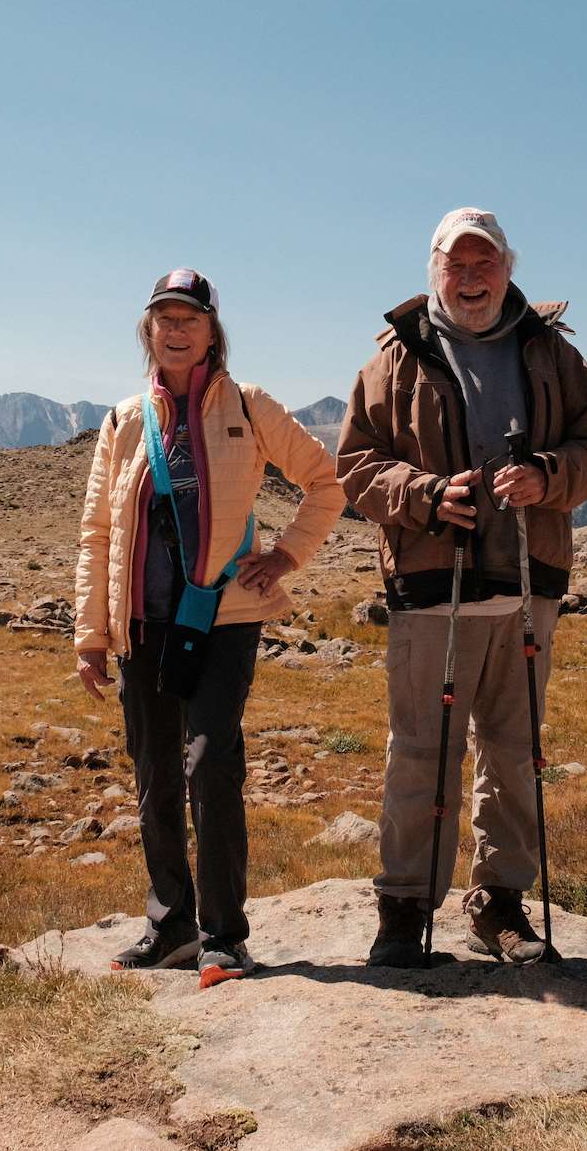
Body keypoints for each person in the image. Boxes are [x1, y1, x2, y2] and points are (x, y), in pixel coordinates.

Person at [337, 208, 587, 967]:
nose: (470, 278)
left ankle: (499, 904)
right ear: (433, 270)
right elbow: (356, 468)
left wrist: (549, 476)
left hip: (530, 586)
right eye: (456, 265)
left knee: (515, 750)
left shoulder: (552, 354)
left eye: (484, 263)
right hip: (433, 588)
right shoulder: (393, 361)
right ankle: (402, 909)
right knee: (421, 750)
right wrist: (425, 496)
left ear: (508, 266)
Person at [75, 268, 346, 987]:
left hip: (223, 619)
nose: (174, 328)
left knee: (210, 765)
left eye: (188, 318)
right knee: (155, 773)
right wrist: (90, 634)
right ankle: (170, 928)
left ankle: (224, 935)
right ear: (147, 330)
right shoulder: (124, 418)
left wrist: (286, 554)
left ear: (211, 331)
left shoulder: (249, 407)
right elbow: (97, 530)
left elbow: (326, 481)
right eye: (163, 317)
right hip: (142, 624)